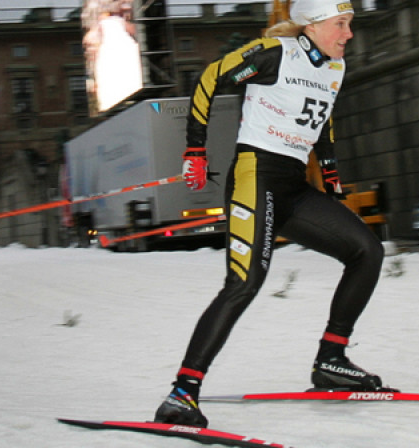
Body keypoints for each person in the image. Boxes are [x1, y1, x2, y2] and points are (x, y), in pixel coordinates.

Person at [154, 0, 389, 427]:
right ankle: (181, 394)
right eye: (341, 24)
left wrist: (331, 170)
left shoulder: (334, 67)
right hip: (255, 178)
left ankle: (331, 360)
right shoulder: (275, 53)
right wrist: (195, 148)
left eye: (350, 24)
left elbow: (324, 116)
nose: (348, 34)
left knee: (367, 251)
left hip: (294, 186)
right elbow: (210, 78)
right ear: (314, 26)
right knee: (244, 284)